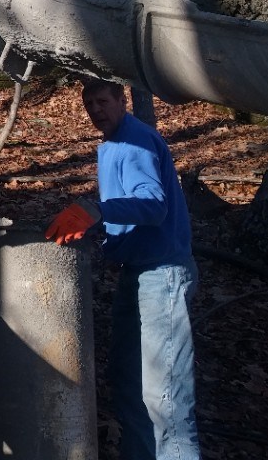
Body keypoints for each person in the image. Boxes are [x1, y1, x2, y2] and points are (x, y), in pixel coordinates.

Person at [45, 79, 199, 460]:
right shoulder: (113, 144)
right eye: (89, 104)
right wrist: (99, 228)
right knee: (129, 383)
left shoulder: (135, 142)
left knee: (165, 396)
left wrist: (98, 210)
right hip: (137, 271)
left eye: (102, 101)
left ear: (122, 100)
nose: (96, 110)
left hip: (161, 274)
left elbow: (153, 205)